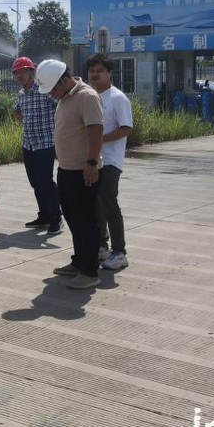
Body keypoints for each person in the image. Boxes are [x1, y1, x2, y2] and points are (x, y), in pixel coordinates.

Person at [36, 59, 104, 290]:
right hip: (66, 169)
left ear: (65, 80)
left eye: (53, 88)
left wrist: (92, 163)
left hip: (84, 170)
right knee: (74, 219)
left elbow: (96, 130)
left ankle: (90, 270)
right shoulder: (65, 97)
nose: (52, 94)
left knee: (86, 221)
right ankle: (79, 261)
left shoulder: (86, 96)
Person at [87, 53, 133, 271]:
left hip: (111, 161)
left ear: (110, 74)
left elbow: (126, 128)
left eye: (100, 71)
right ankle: (101, 246)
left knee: (109, 204)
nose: (95, 75)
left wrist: (100, 139)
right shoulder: (91, 96)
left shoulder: (117, 98)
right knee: (95, 207)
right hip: (93, 160)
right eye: (92, 71)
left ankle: (119, 251)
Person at [12, 56, 62, 235]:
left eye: (23, 72)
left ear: (32, 72)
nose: (20, 76)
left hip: (45, 142)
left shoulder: (44, 90)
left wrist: (55, 124)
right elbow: (15, 110)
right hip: (29, 144)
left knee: (46, 182)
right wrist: (25, 121)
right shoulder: (20, 94)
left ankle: (57, 217)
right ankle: (44, 215)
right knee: (35, 182)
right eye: (17, 73)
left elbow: (61, 105)